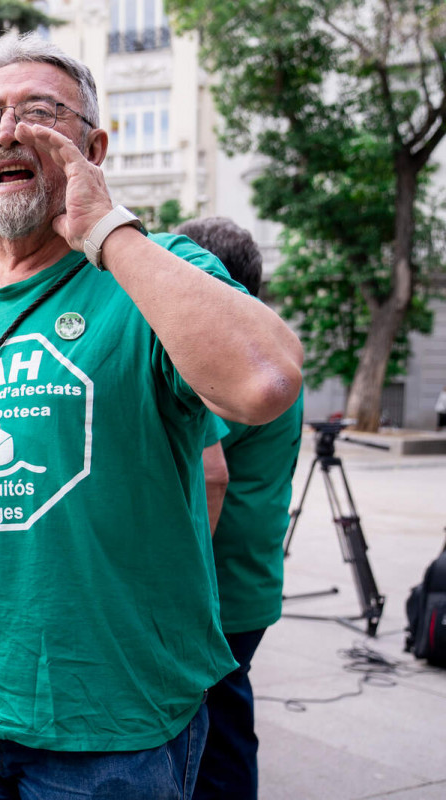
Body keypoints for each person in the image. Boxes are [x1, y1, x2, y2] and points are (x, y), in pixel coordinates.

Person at [0, 33, 304, 800]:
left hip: (111, 732)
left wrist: (106, 230)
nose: (7, 131)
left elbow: (265, 381)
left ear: (94, 145)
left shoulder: (155, 272)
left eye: (40, 113)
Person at [175, 217, 305, 800]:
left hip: (215, 588)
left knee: (212, 742)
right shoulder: (266, 346)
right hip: (249, 579)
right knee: (227, 725)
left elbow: (208, 472)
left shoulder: (224, 357)